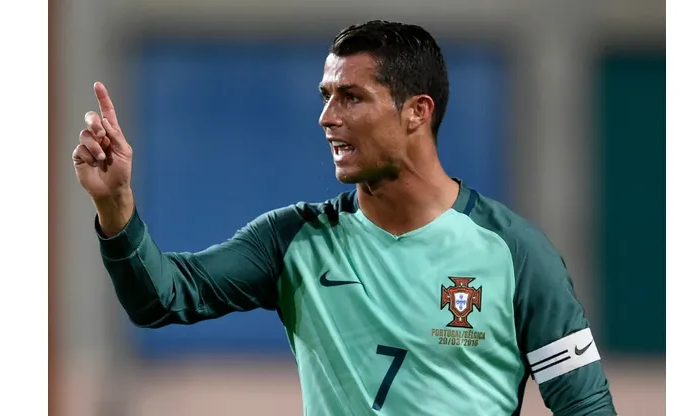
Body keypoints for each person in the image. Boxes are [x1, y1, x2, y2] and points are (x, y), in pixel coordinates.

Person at [73, 20, 616, 416]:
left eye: (351, 97)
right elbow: (162, 298)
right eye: (326, 96)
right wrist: (115, 204)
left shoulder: (515, 253)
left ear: (417, 111)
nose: (326, 117)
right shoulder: (293, 241)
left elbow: (585, 407)